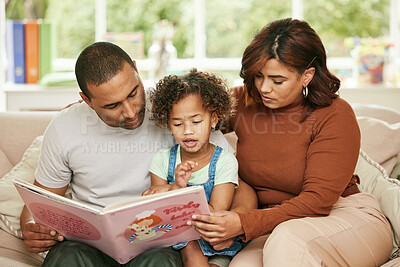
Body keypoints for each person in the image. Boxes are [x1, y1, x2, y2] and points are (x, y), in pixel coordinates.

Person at [187, 18, 394, 266]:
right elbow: (187, 118)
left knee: (287, 241)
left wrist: (243, 223)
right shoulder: (244, 101)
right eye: (258, 76)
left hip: (345, 217)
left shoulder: (335, 114)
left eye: (277, 80)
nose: (264, 88)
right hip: (272, 225)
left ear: (307, 76)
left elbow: (317, 202)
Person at [19, 42, 233, 267]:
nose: (131, 112)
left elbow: (236, 179)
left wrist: (234, 220)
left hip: (156, 244)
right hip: (89, 246)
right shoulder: (65, 127)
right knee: (67, 257)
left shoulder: (176, 110)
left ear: (136, 69)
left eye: (133, 93)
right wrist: (32, 228)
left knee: (160, 261)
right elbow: (40, 203)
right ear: (87, 101)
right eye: (112, 106)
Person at [142, 69, 247, 267]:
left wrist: (181, 193)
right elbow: (155, 205)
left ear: (213, 119)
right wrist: (176, 188)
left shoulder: (225, 161)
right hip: (178, 240)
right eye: (178, 123)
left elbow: (216, 212)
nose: (188, 130)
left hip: (214, 240)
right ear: (168, 124)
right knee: (190, 249)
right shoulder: (162, 160)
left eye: (196, 121)